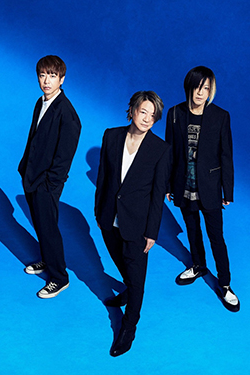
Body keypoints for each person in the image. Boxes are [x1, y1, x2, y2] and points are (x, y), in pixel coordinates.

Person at [95, 91, 171, 356]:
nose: (147, 119)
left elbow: (158, 195)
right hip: (109, 218)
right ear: (132, 110)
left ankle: (128, 328)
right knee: (121, 263)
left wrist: (152, 232)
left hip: (138, 225)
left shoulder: (160, 149)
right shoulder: (111, 136)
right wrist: (99, 211)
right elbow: (103, 177)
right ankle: (126, 292)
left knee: (137, 280)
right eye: (143, 112)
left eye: (153, 115)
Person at [165, 66, 240, 312]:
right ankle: (198, 265)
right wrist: (168, 184)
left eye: (206, 88)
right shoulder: (175, 113)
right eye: (197, 87)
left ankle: (225, 284)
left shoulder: (220, 116)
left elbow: (226, 155)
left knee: (216, 236)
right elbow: (169, 152)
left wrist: (227, 191)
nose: (200, 92)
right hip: (184, 184)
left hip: (209, 187)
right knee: (192, 230)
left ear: (211, 91)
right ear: (189, 87)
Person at [18, 55, 82, 298]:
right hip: (31, 175)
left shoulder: (67, 114)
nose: (46, 80)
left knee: (49, 228)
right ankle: (47, 259)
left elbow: (64, 157)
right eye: (43, 75)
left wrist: (50, 184)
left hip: (47, 182)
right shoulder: (41, 102)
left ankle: (59, 278)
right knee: (40, 224)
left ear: (62, 79)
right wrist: (25, 168)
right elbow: (34, 137)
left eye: (52, 76)